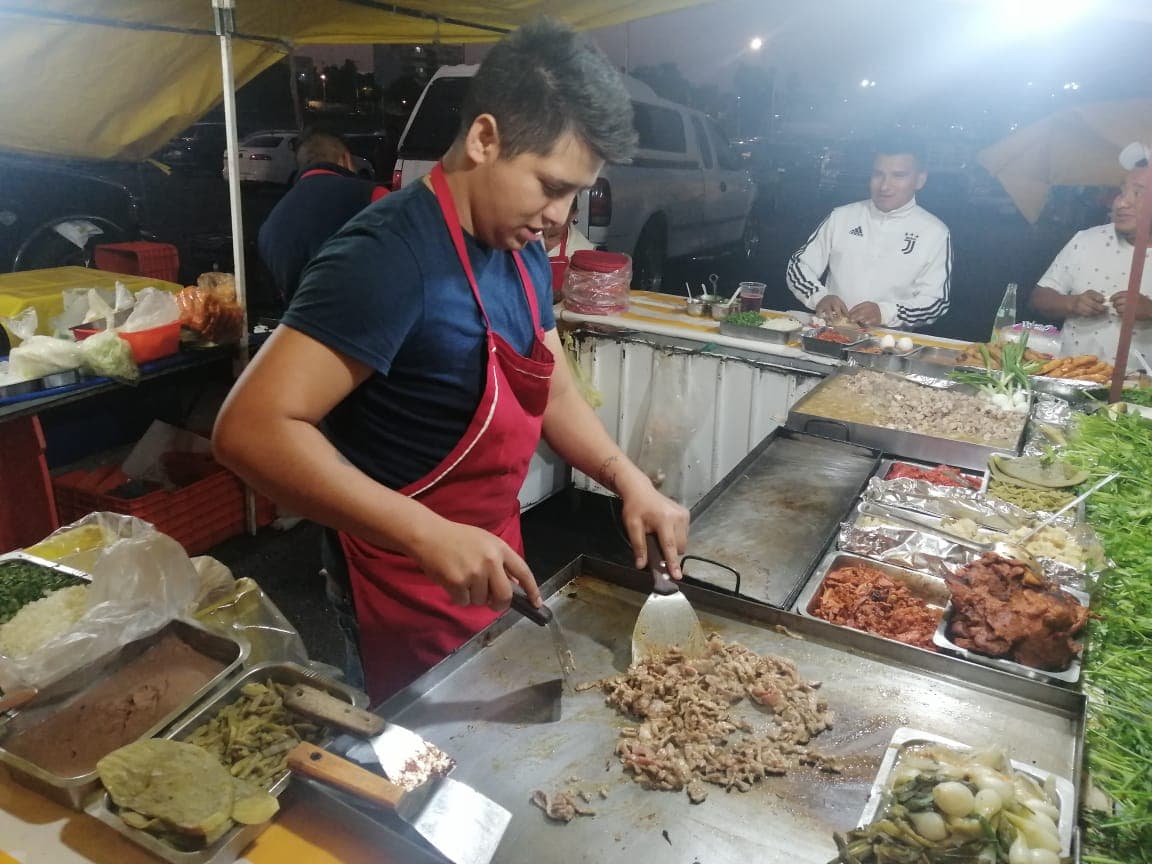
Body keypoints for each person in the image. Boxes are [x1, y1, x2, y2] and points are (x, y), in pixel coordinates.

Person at [213, 19, 689, 704]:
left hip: (491, 554)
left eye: (577, 193)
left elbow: (549, 387)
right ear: (485, 138)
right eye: (551, 186)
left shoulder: (519, 246)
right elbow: (251, 428)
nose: (562, 216)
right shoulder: (385, 257)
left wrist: (628, 479)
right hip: (400, 577)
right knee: (407, 771)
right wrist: (426, 532)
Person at [786, 138, 952, 329]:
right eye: (878, 174)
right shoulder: (842, 216)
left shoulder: (935, 232)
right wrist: (819, 297)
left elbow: (935, 302)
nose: (884, 186)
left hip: (889, 344)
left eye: (898, 175)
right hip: (830, 333)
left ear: (920, 180)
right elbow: (799, 266)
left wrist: (884, 312)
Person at [1030, 154, 1152, 369]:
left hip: (1140, 393)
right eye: (1122, 192)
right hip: (1072, 378)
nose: (1122, 202)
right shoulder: (1086, 240)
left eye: (1138, 193)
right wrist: (1072, 303)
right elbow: (1039, 298)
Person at [257, 129, 389, 304]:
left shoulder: (270, 226)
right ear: (345, 159)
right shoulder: (373, 196)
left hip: (301, 328)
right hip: (372, 322)